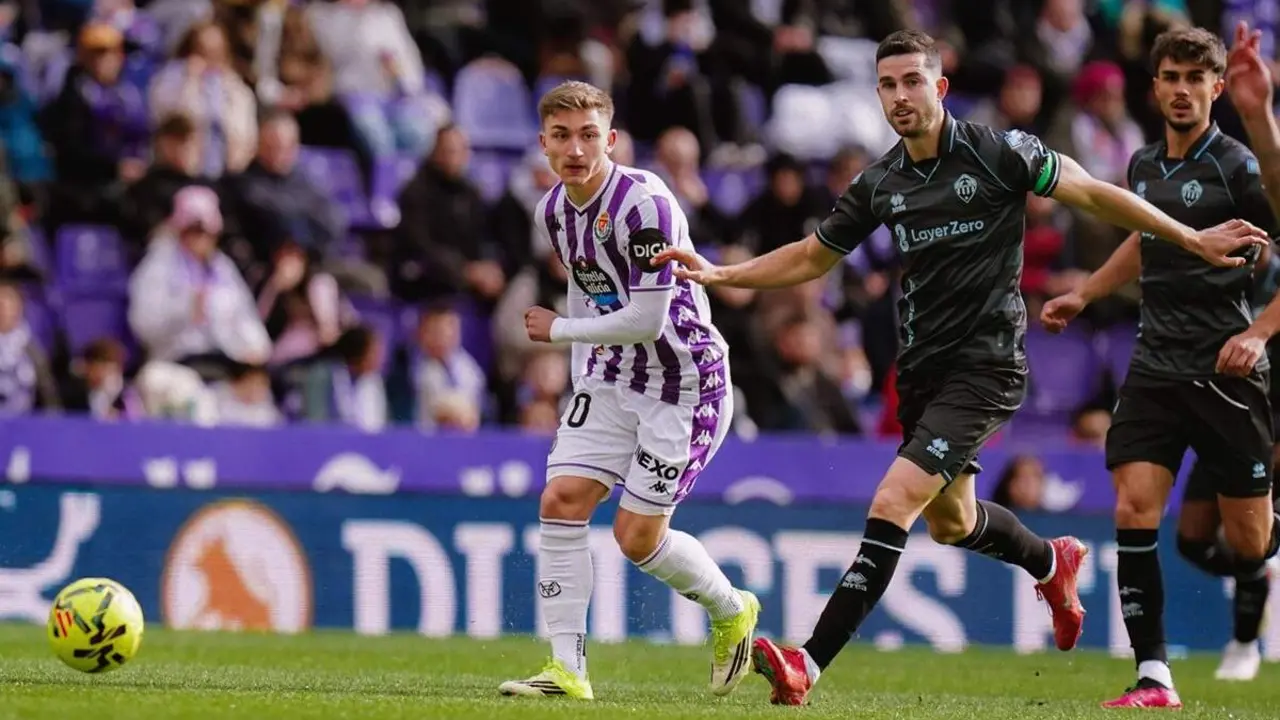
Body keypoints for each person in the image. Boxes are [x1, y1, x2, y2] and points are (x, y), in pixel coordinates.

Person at [653, 29, 1271, 707]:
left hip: (988, 366)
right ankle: (1051, 560)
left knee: (893, 502)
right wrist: (722, 273)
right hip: (923, 371)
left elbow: (1094, 193)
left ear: (940, 87)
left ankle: (807, 662)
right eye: (887, 85)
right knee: (952, 522)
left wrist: (1188, 236)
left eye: (912, 81)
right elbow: (811, 255)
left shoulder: (999, 152)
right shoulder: (881, 182)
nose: (900, 96)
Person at [496, 81, 758, 702]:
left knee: (636, 537)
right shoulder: (552, 212)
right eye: (562, 136)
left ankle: (731, 608)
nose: (575, 150)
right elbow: (585, 285)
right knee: (561, 498)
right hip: (612, 377)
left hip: (685, 384)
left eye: (588, 135)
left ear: (610, 139)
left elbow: (646, 318)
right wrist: (581, 374)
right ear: (543, 144)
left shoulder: (646, 206)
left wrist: (559, 332)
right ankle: (567, 671)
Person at [1041, 28, 1280, 704]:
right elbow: (1146, 238)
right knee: (1134, 507)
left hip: (1227, 373)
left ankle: (1262, 564)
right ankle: (1154, 675)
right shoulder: (1145, 164)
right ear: (1154, 88)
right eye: (1171, 77)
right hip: (1155, 367)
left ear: (1216, 87)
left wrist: (1260, 333)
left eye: (1195, 78)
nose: (1181, 89)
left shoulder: (1237, 166)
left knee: (1249, 541)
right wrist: (1087, 292)